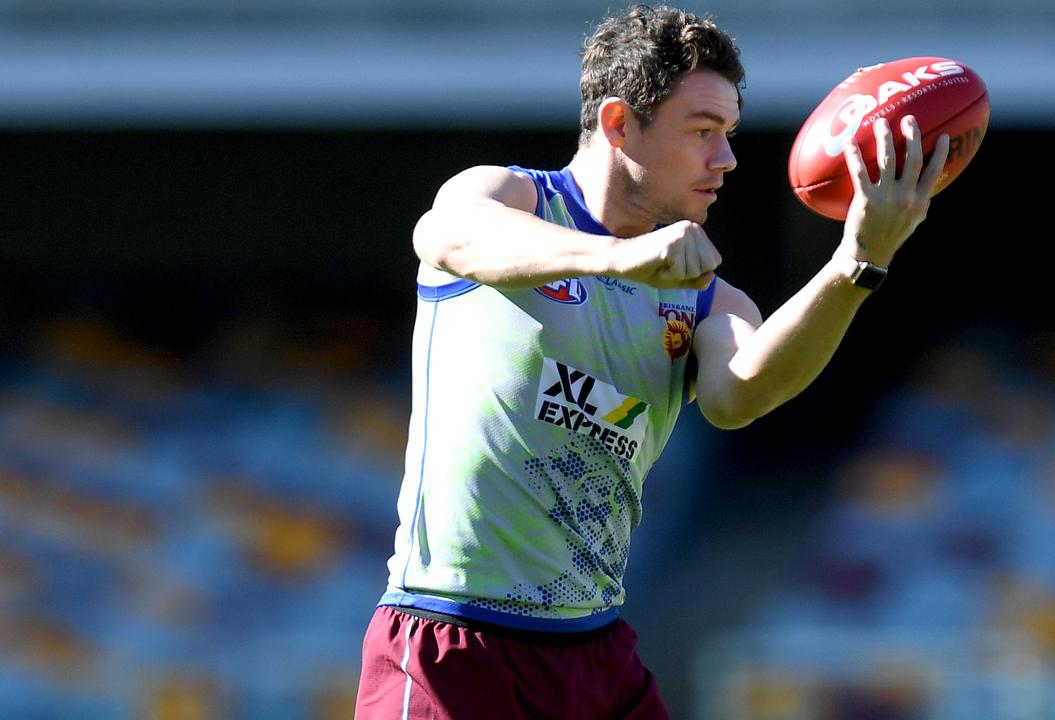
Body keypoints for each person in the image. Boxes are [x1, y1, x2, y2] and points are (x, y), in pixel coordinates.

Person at [354, 4, 949, 718]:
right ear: (617, 124)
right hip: (452, 637)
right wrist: (622, 259)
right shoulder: (507, 196)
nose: (726, 159)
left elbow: (739, 396)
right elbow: (446, 235)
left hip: (595, 653)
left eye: (728, 134)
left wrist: (858, 261)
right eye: (702, 132)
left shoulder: (707, 298)